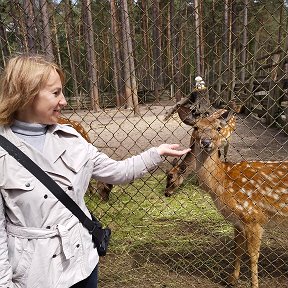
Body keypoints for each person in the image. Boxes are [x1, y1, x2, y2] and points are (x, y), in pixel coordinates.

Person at [0, 54, 190, 288]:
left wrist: (155, 153)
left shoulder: (71, 139)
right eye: (56, 93)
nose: (64, 101)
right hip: (37, 276)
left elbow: (118, 172)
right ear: (27, 93)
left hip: (83, 264)